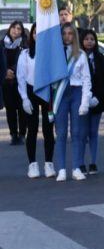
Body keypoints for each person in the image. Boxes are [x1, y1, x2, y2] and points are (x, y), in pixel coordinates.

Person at [16, 23, 56, 178]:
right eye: (35, 33)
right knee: (32, 130)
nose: (37, 36)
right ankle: (32, 164)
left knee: (48, 130)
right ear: (31, 35)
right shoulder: (25, 54)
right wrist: (24, 98)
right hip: (32, 92)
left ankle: (49, 163)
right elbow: (21, 77)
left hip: (48, 92)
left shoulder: (52, 54)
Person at [54, 23, 92, 182]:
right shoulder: (55, 54)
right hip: (61, 94)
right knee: (61, 133)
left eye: (70, 33)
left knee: (77, 133)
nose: (67, 36)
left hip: (77, 93)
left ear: (74, 36)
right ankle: (61, 169)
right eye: (64, 33)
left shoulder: (81, 54)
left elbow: (86, 79)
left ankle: (76, 167)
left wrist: (85, 101)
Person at [80, 29, 104, 175]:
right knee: (82, 133)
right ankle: (81, 162)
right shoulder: (77, 57)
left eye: (92, 39)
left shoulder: (100, 58)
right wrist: (86, 98)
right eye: (86, 39)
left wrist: (98, 97)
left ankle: (93, 162)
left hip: (97, 101)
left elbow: (103, 80)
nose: (89, 41)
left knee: (93, 132)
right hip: (82, 101)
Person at [3, 20, 27, 145]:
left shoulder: (24, 45)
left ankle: (22, 134)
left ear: (21, 32)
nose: (16, 31)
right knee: (10, 110)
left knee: (22, 109)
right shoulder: (2, 43)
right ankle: (13, 134)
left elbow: (25, 61)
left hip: (20, 82)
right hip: (6, 83)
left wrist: (13, 70)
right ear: (10, 28)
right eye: (14, 28)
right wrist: (5, 71)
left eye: (19, 29)